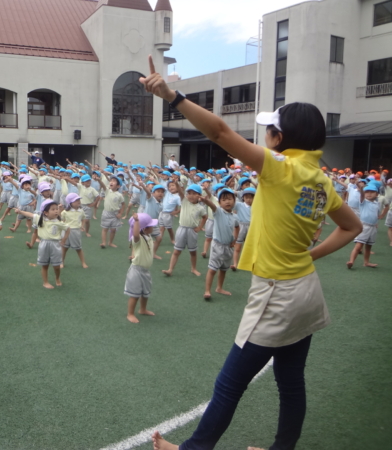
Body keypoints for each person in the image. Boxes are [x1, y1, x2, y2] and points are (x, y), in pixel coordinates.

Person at [140, 56, 362, 450]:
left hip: (277, 291)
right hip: (305, 290)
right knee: (291, 381)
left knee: (229, 383)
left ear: (280, 137)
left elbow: (220, 132)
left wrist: (172, 97)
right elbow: (352, 227)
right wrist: (310, 257)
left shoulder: (281, 167)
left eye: (269, 130)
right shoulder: (320, 179)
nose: (265, 137)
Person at [17, 199, 70, 289]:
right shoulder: (40, 219)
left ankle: (57, 278)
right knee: (44, 265)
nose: (56, 211)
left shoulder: (59, 222)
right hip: (44, 244)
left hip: (55, 245)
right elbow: (30, 214)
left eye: (56, 209)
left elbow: (68, 229)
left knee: (57, 266)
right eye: (53, 209)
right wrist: (20, 211)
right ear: (45, 212)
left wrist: (64, 239)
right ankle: (45, 282)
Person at [162, 184, 207, 277]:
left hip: (192, 231)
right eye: (189, 193)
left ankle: (193, 269)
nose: (191, 196)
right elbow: (180, 192)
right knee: (176, 251)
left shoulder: (200, 208)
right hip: (181, 229)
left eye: (194, 193)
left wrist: (200, 227)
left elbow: (205, 217)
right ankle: (170, 269)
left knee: (193, 252)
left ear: (199, 195)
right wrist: (176, 184)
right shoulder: (185, 201)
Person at [202, 188, 239, 300]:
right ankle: (207, 291)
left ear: (234, 201)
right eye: (224, 200)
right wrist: (206, 201)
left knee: (223, 269)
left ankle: (219, 288)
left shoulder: (235, 216)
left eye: (230, 199)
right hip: (217, 246)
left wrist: (235, 239)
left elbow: (237, 227)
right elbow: (212, 206)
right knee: (212, 269)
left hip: (228, 247)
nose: (227, 202)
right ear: (219, 203)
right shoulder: (218, 212)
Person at [346, 183, 389, 269]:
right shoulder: (363, 202)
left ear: (377, 194)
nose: (369, 194)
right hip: (364, 226)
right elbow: (362, 196)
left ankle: (366, 262)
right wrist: (362, 189)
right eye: (367, 192)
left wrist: (381, 216)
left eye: (372, 192)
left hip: (373, 227)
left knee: (369, 246)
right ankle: (351, 261)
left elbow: (377, 213)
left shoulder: (377, 203)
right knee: (359, 245)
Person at [124, 213, 157, 323]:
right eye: (151, 225)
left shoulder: (148, 237)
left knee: (145, 292)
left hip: (145, 270)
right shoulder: (139, 238)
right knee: (135, 294)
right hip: (136, 271)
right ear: (145, 228)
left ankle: (143, 309)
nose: (153, 227)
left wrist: (133, 254)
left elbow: (136, 248)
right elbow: (136, 235)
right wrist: (137, 222)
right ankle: (130, 314)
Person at [60, 193, 88, 269]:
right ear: (70, 203)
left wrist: (82, 226)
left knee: (78, 248)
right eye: (76, 200)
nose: (78, 201)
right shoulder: (65, 212)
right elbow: (61, 220)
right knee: (64, 248)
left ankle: (83, 262)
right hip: (66, 231)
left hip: (76, 231)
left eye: (79, 200)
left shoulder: (81, 211)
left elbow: (83, 218)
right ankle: (61, 262)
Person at [232, 187, 256, 270]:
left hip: (251, 226)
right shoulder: (239, 205)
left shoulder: (256, 206)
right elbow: (231, 203)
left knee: (250, 247)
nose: (249, 200)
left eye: (251, 197)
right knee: (237, 247)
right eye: (246, 197)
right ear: (243, 198)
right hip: (241, 226)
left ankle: (250, 264)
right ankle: (235, 264)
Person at [99, 176, 125, 249]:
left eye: (114, 181)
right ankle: (104, 242)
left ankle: (110, 242)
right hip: (106, 213)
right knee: (105, 229)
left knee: (113, 230)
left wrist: (120, 213)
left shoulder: (119, 195)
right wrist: (99, 180)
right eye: (111, 181)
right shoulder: (107, 191)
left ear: (118, 186)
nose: (111, 182)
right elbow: (103, 186)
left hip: (115, 214)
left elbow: (123, 204)